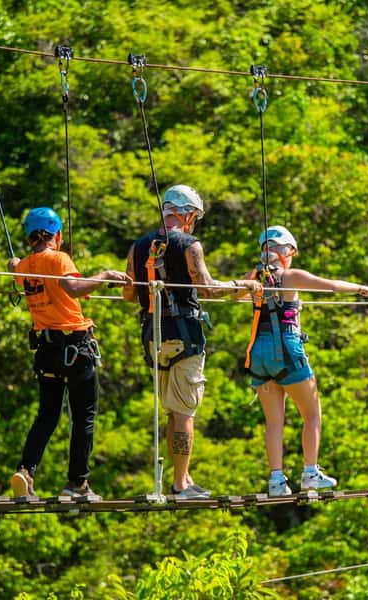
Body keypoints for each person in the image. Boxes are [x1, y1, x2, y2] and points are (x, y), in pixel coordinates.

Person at [123, 184, 261, 499]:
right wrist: (244, 285)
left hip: (152, 337)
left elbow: (129, 293)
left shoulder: (139, 246)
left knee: (173, 411)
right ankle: (180, 482)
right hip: (185, 335)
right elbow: (209, 289)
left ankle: (181, 479)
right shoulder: (190, 244)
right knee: (185, 413)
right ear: (187, 215)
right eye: (195, 217)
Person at [8, 207, 131, 500]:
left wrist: (15, 264)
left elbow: (16, 270)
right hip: (75, 348)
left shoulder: (25, 266)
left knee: (47, 416)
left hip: (47, 351)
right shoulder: (58, 258)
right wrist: (106, 275)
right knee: (83, 417)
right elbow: (73, 288)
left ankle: (25, 471)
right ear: (58, 235)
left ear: (29, 238)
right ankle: (77, 484)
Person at [241, 225, 368, 496]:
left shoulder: (251, 278)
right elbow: (331, 286)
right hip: (286, 350)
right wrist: (360, 288)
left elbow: (227, 292)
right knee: (312, 415)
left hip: (258, 353)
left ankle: (276, 481)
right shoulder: (292, 276)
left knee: (274, 422)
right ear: (285, 251)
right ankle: (310, 473)